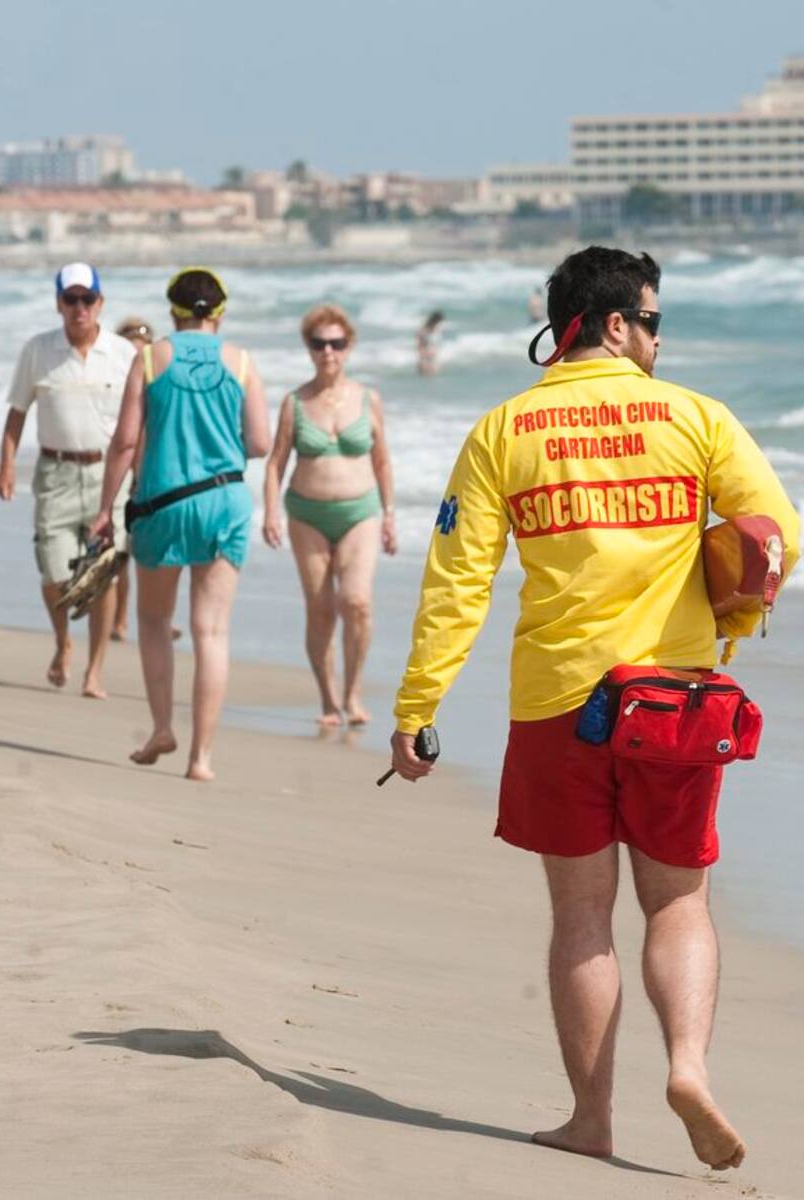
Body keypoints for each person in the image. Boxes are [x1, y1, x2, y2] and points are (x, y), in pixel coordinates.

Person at [388, 246, 799, 1170]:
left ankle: (591, 1119)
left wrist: (419, 705)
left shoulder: (504, 430)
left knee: (581, 912)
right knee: (678, 900)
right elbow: (776, 535)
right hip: (677, 701)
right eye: (652, 321)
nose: (657, 340)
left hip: (557, 702)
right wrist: (730, 618)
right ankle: (687, 1066)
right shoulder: (697, 417)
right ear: (616, 323)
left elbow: (458, 582)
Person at [89, 268, 269, 781]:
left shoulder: (150, 359)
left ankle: (163, 728)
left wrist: (105, 509)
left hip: (161, 503)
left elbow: (126, 441)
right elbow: (260, 442)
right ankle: (201, 758)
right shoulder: (242, 362)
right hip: (224, 501)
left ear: (173, 312)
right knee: (211, 631)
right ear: (220, 314)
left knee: (153, 621)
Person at [0, 263, 135, 699]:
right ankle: (63, 642)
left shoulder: (123, 354)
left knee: (103, 574)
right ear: (58, 303)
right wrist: (6, 466)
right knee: (54, 573)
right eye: (71, 299)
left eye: (87, 299)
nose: (79, 308)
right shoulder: (38, 350)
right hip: (55, 474)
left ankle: (95, 670)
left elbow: (141, 419)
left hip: (108, 476)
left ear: (100, 303)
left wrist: (143, 473)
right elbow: (17, 412)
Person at [262, 304, 396, 726]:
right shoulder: (295, 402)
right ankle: (327, 699)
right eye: (319, 344)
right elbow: (275, 464)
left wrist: (390, 516)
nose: (328, 352)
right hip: (307, 514)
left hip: (361, 512)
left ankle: (353, 694)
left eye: (336, 343)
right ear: (309, 347)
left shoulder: (368, 399)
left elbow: (382, 462)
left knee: (356, 602)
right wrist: (270, 513)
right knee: (320, 609)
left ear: (349, 346)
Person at [110, 317, 156, 644]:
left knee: (147, 555)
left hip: (150, 479)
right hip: (117, 476)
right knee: (120, 554)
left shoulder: (160, 384)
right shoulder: (112, 383)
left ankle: (151, 617)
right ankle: (121, 618)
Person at [416, 310, 444, 376]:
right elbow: (419, 343)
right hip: (425, 355)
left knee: (433, 375)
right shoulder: (424, 330)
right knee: (426, 374)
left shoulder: (437, 330)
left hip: (434, 355)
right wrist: (422, 354)